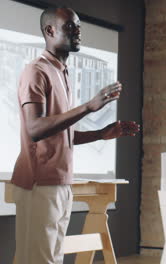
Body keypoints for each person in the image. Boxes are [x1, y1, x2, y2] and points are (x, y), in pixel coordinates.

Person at [11, 7, 139, 264]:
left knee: (49, 258)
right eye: (70, 26)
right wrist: (88, 107)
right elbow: (35, 129)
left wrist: (102, 134)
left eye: (79, 26)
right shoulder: (36, 71)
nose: (78, 31)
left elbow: (60, 134)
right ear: (50, 31)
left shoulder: (61, 72)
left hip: (60, 183)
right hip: (40, 183)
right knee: (41, 259)